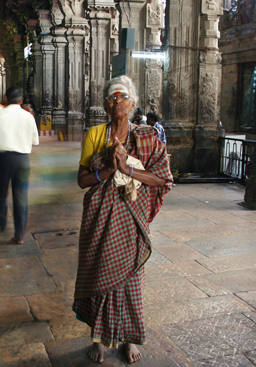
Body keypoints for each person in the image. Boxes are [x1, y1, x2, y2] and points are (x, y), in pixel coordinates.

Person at [74, 75, 173, 364]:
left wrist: (127, 168)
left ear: (132, 103)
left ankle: (129, 340)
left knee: (131, 279)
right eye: (111, 97)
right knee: (98, 275)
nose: (116, 101)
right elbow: (82, 181)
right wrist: (107, 170)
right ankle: (99, 340)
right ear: (105, 105)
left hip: (131, 221)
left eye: (122, 96)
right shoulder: (95, 135)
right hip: (98, 220)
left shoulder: (147, 139)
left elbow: (162, 179)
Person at [0, 86, 39, 244]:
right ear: (21, 100)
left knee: (2, 194)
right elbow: (34, 141)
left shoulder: (0, 115)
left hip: (4, 159)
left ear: (5, 99)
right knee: (21, 198)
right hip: (23, 160)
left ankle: (2, 224)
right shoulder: (28, 116)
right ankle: (20, 235)